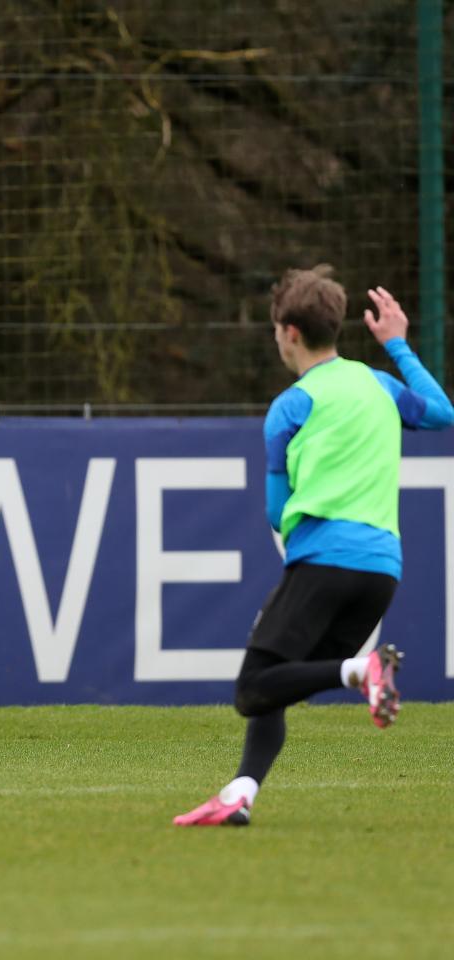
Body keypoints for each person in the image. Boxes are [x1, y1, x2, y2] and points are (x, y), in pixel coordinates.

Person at [174, 268, 454, 827]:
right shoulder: (379, 385)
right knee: (279, 679)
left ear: (292, 333)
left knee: (253, 687)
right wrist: (396, 343)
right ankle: (241, 792)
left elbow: (276, 512)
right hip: (381, 572)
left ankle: (361, 670)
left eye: (277, 328)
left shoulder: (290, 407)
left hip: (324, 560)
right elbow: (442, 413)